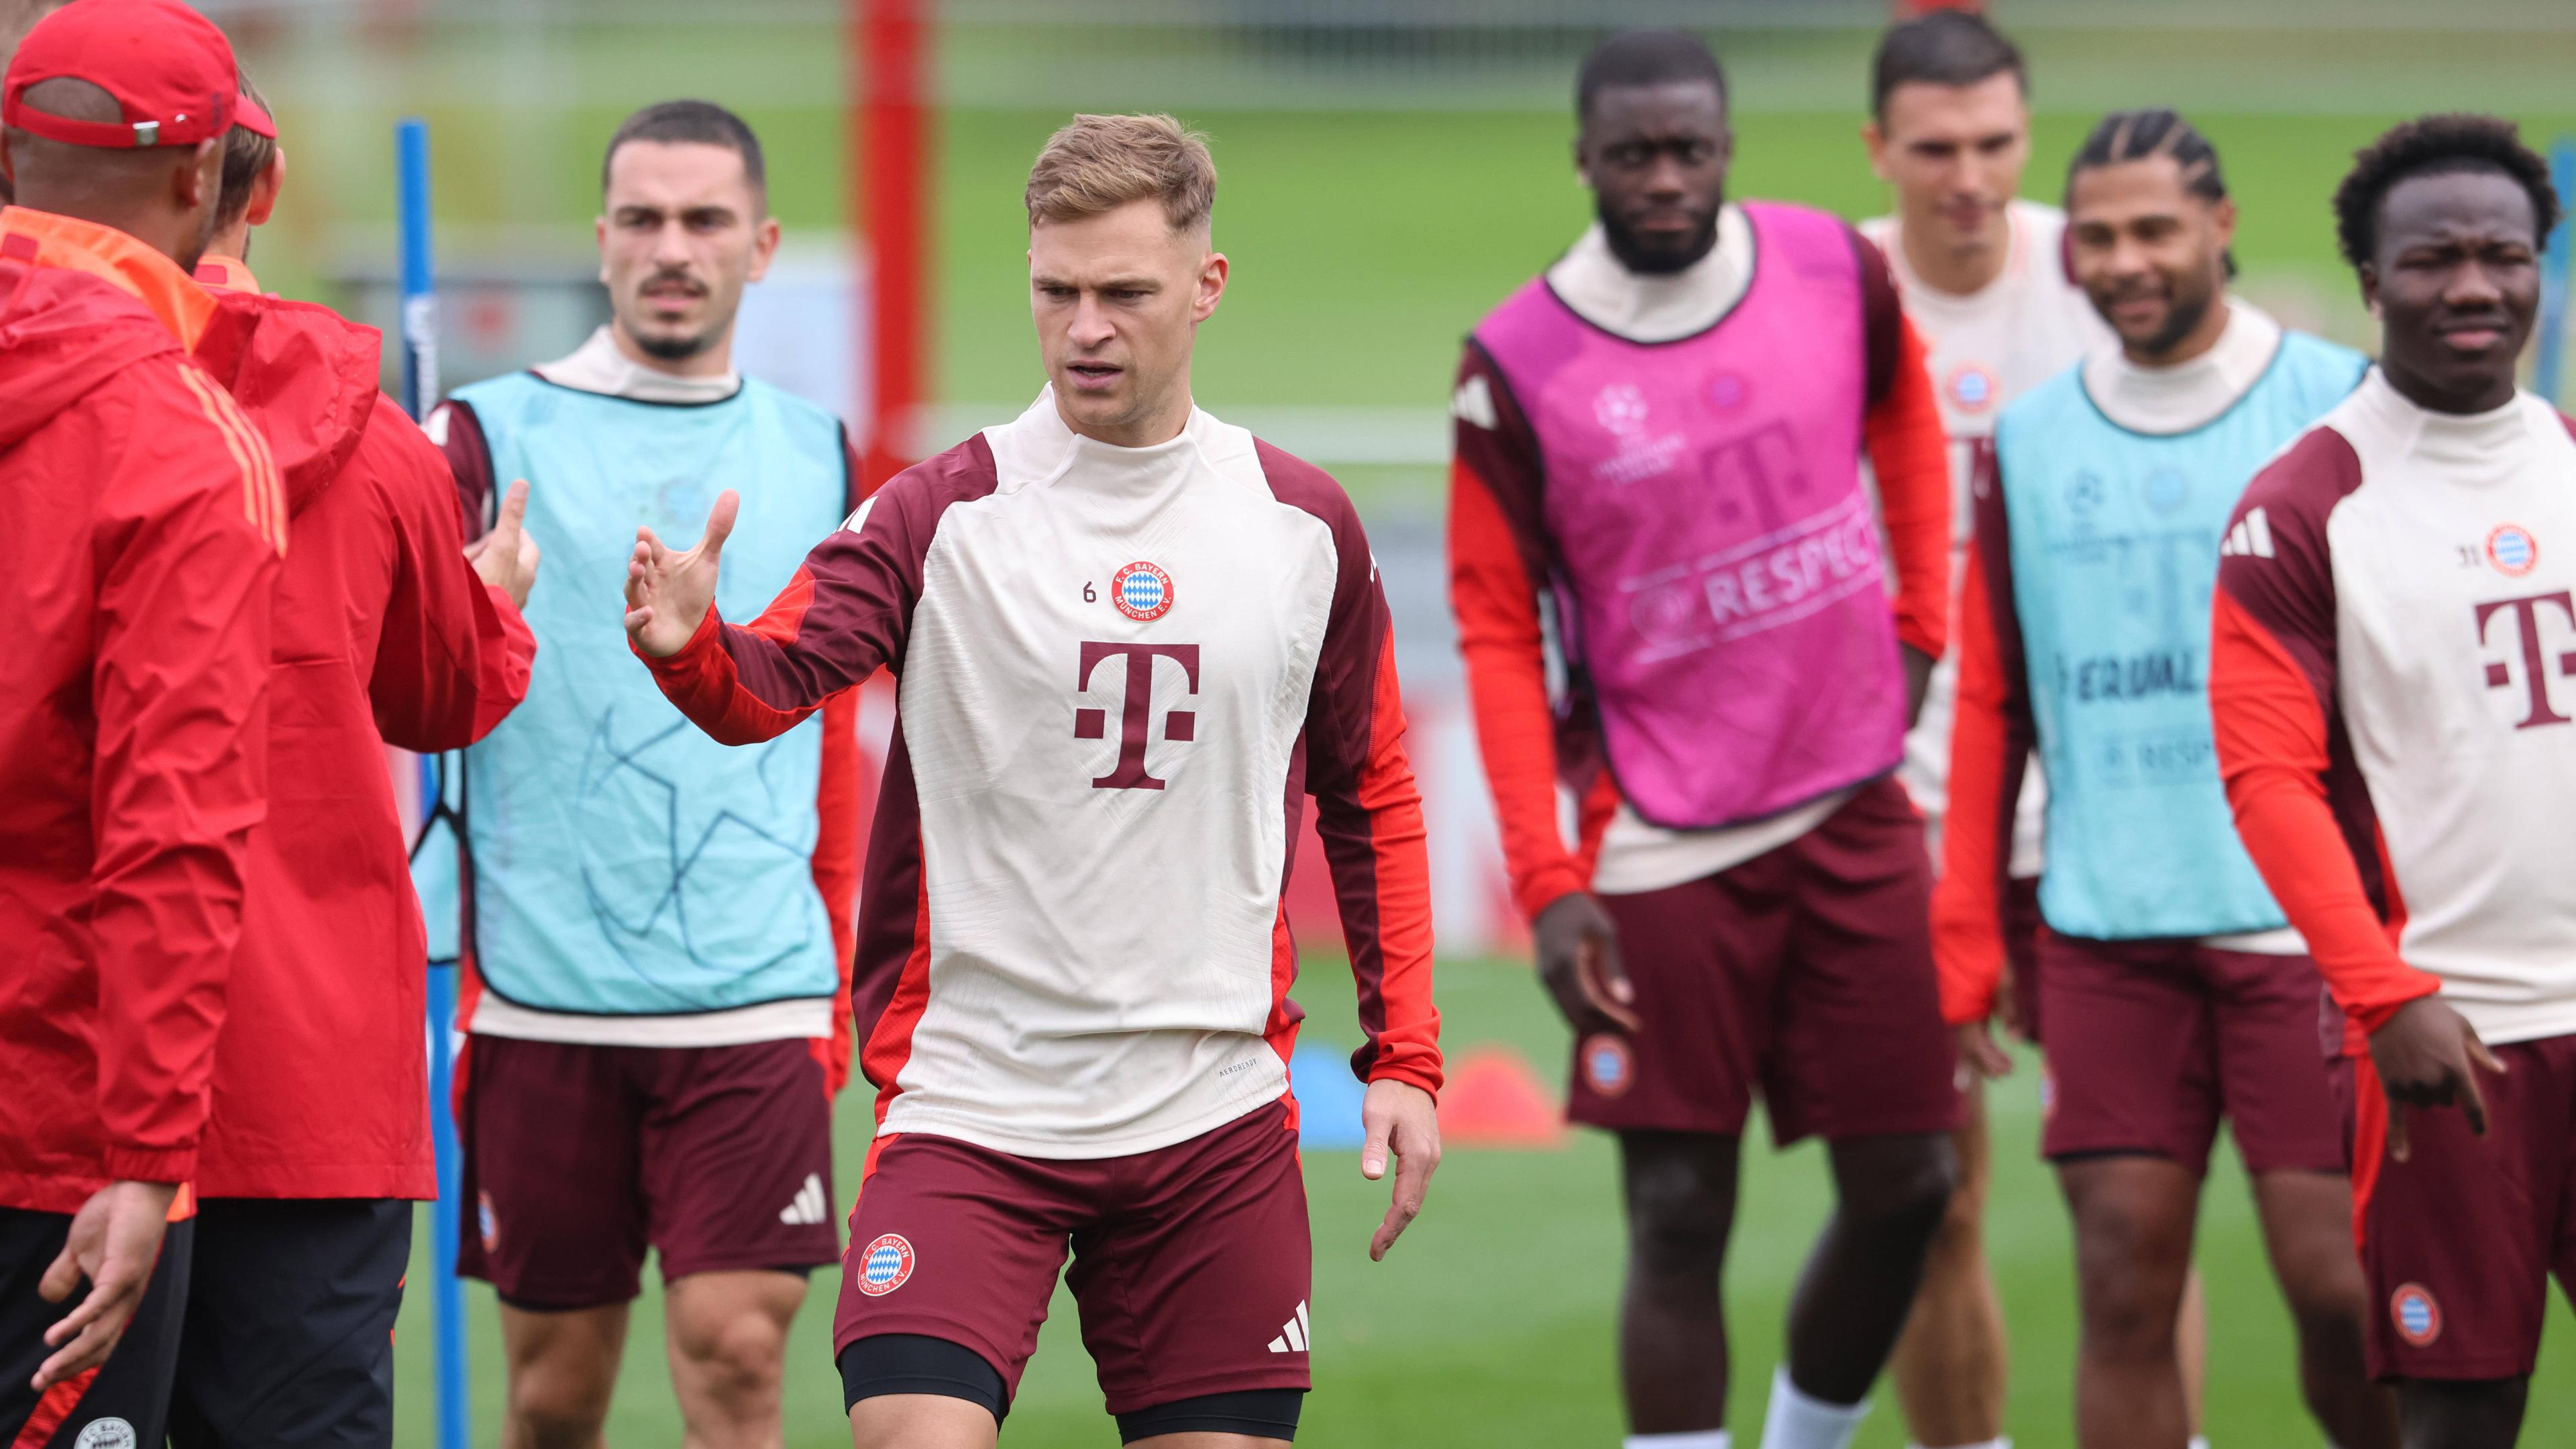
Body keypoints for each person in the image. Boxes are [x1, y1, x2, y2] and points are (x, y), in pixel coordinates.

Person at [624, 111, 1444, 1449]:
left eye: (1124, 292)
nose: (1085, 328)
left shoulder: (1303, 528)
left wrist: (1405, 1059)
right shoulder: (940, 512)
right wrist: (690, 652)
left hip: (1212, 1122)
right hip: (976, 1109)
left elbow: (1369, 795)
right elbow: (771, 680)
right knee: (909, 1437)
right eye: (1055, 290)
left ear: (1206, 286)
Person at [1448, 30, 1957, 1449]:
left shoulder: (1828, 267)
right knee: (1678, 1212)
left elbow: (1909, 432)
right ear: (1584, 159)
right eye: (1633, 155)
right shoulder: (1515, 359)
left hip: (1852, 803)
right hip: (1660, 838)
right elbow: (1494, 631)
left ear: (1727, 145)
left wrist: (1920, 630)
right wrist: (1550, 885)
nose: (1664, 180)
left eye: (1690, 150)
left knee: (1913, 1180)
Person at [1937, 108, 2394, 1449]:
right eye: (2096, 239)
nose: (2125, 262)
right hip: (2107, 928)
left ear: (2223, 229)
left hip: (2305, 927)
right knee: (2122, 1277)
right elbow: (1994, 701)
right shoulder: (2028, 440)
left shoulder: (2338, 403)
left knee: (2337, 1284)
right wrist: (1970, 926)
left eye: (2155, 231)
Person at [421, 100, 859, 1449]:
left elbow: (831, 729)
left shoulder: (819, 448)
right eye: (647, 220)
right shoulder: (482, 435)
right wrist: (464, 618)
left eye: (707, 220)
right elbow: (403, 694)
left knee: (738, 1355)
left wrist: (838, 961)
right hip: (544, 993)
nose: (676, 248)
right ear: (602, 239)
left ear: (762, 245)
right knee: (554, 1397)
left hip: (751, 988)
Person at [157, 68, 542, 1449]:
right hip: (305, 1069)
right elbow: (448, 694)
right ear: (259, 195)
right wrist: (489, 594)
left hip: (69, 1070)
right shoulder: (378, 447)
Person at [2214, 113, 2575, 1449]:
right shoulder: (2303, 509)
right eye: (2432, 261)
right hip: (2452, 1039)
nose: (2472, 286)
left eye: (2503, 255)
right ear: (2371, 282)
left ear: (2544, 265)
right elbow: (2267, 780)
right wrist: (2384, 996)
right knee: (2461, 1416)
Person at [0, 1, 284, 1442]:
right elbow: (173, 824)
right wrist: (150, 1155)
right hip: (46, 1131)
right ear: (201, 184)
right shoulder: (180, 438)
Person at [1853, 17, 2110, 1448]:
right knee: (1928, 1197)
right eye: (1936, 148)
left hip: (2097, 807)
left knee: (2134, 1200)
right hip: (1898, 809)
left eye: (1997, 144)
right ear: (1880, 149)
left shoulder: (2102, 269)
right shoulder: (1819, 290)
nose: (1970, 176)